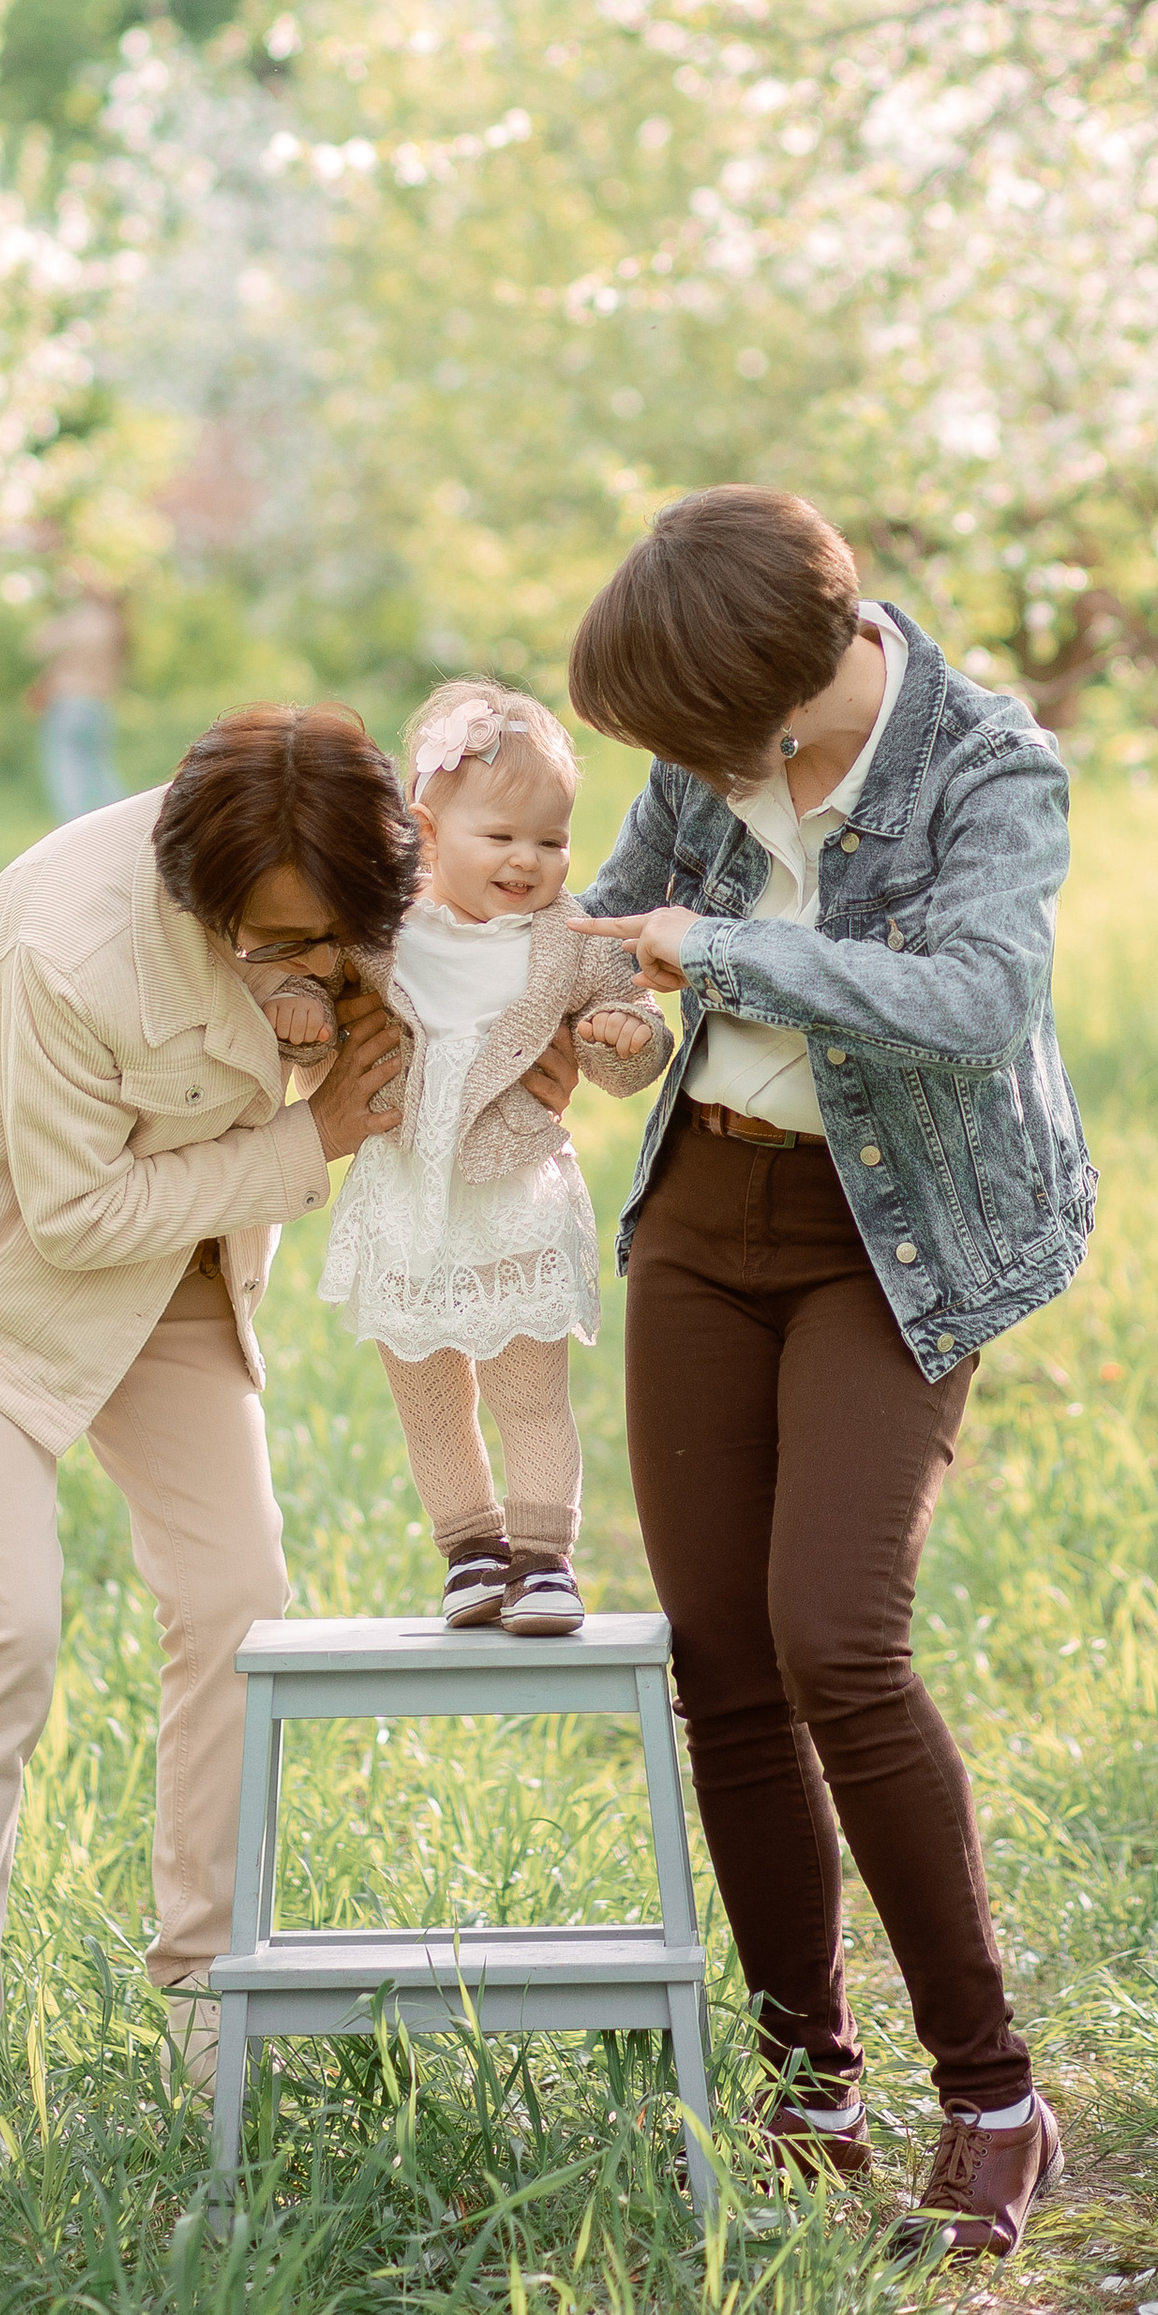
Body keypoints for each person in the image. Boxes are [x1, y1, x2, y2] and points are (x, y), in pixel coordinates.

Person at [569, 486, 1098, 2259]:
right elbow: (618, 939)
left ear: (780, 699)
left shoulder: (987, 767)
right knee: (721, 1663)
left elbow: (977, 998)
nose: (682, 769)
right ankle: (812, 2079)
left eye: (694, 740)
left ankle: (995, 2093)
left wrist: (707, 953)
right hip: (707, 1219)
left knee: (839, 1641)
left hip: (903, 1240)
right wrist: (606, 1008)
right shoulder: (709, 753)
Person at [0, 703, 417, 2200]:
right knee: (0, 1631)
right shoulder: (72, 942)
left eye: (327, 937)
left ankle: (212, 1996)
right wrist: (319, 1138)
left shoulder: (347, 869)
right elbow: (75, 1217)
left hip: (170, 1275)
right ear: (202, 895)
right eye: (273, 941)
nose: (302, 961)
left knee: (244, 1601)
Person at [314, 681, 672, 1636]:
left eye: (550, 841)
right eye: (502, 837)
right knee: (427, 1392)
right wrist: (299, 1016)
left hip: (511, 1195)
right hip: (405, 1197)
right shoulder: (379, 933)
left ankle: (545, 1558)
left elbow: (631, 1019)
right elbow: (313, 992)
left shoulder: (567, 939)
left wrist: (621, 1040)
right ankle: (469, 1550)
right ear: (428, 834)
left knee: (529, 1392)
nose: (529, 861)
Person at [34, 583, 128, 820]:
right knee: (100, 768)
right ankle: (124, 820)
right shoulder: (117, 625)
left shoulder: (80, 620)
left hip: (69, 703)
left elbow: (37, 645)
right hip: (98, 706)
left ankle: (72, 827)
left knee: (67, 771)